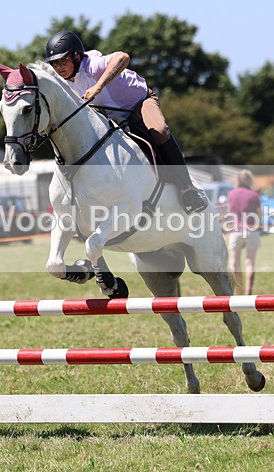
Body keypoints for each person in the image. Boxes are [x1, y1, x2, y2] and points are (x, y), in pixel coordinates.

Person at [44, 30, 209, 214]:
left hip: (139, 103)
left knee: (159, 131)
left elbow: (123, 57)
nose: (59, 67)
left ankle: (188, 190)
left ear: (76, 56)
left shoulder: (92, 66)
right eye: (55, 63)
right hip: (115, 118)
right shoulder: (62, 81)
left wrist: (97, 87)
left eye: (63, 61)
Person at [226, 170, 262, 295]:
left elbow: (230, 212)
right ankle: (248, 293)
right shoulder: (254, 195)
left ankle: (234, 291)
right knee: (250, 262)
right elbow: (259, 214)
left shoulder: (231, 194)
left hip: (236, 230)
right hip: (251, 230)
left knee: (234, 263)